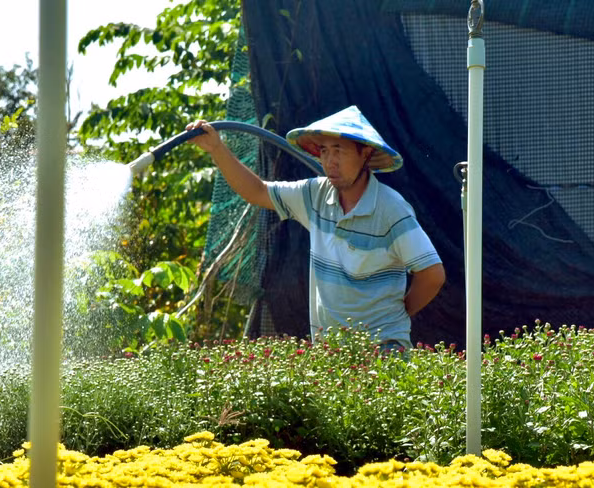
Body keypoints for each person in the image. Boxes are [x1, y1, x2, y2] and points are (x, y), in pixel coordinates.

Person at [186, 105, 445, 352]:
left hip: (384, 350)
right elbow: (258, 192)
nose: (329, 161)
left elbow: (432, 274)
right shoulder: (315, 195)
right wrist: (217, 149)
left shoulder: (391, 208)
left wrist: (396, 315)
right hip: (331, 354)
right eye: (324, 151)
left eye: (338, 151)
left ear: (364, 153)